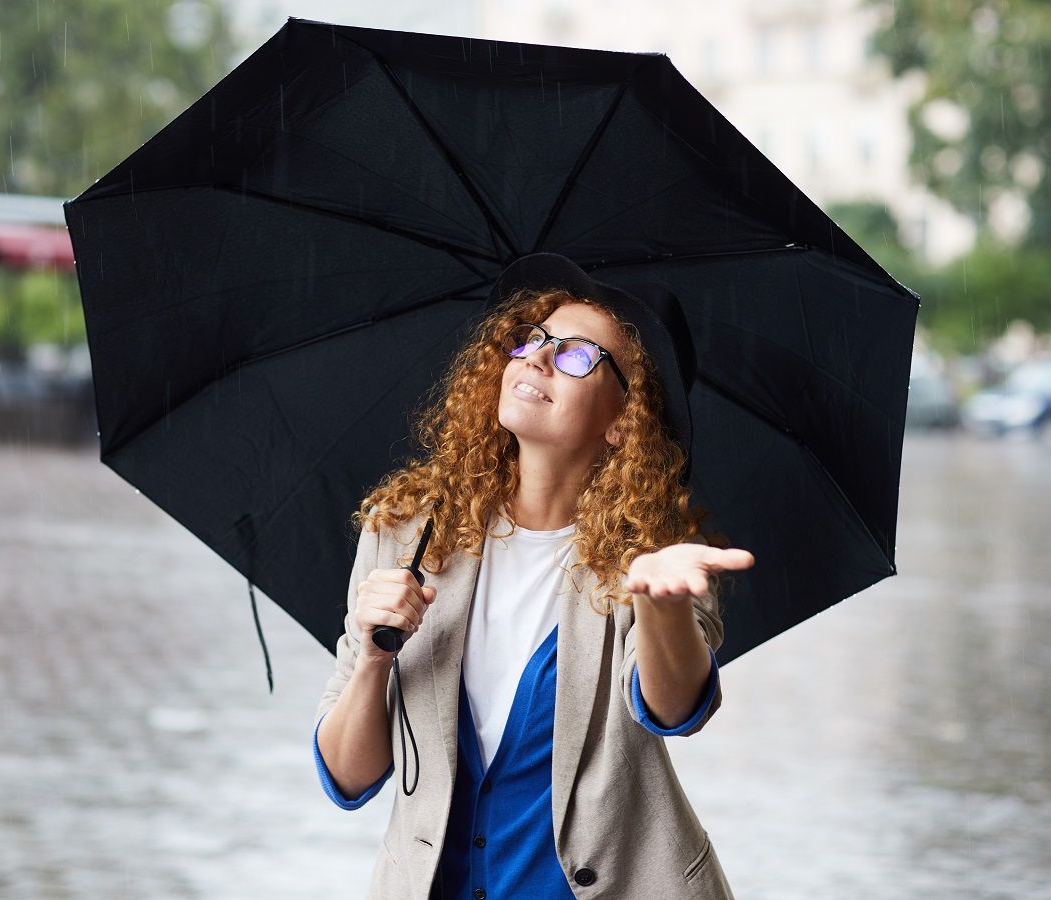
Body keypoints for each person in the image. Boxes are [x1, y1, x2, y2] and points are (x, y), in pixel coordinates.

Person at [313, 253, 755, 899]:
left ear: (621, 422)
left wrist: (659, 603)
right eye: (533, 340)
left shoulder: (659, 554)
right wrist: (373, 657)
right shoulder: (406, 531)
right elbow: (347, 779)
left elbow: (676, 711)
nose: (538, 359)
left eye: (578, 356)